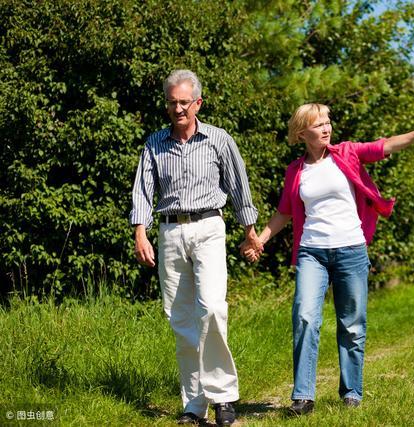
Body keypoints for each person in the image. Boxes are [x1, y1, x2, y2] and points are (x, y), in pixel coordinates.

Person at [242, 103, 414, 414]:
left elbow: (384, 145)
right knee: (305, 316)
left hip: (350, 248)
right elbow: (284, 211)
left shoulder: (347, 153)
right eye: (318, 124)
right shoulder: (296, 171)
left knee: (351, 324)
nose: (326, 128)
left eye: (327, 121)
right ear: (301, 133)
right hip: (312, 252)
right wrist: (260, 240)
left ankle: (351, 391)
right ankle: (303, 397)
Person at [130, 69, 263, 426]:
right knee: (181, 320)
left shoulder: (219, 139)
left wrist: (250, 231)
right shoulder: (154, 143)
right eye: (172, 102)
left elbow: (239, 187)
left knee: (213, 309)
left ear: (197, 103)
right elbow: (143, 192)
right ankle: (194, 404)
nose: (178, 109)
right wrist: (140, 233)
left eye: (184, 102)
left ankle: (223, 397)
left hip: (209, 226)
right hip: (170, 232)